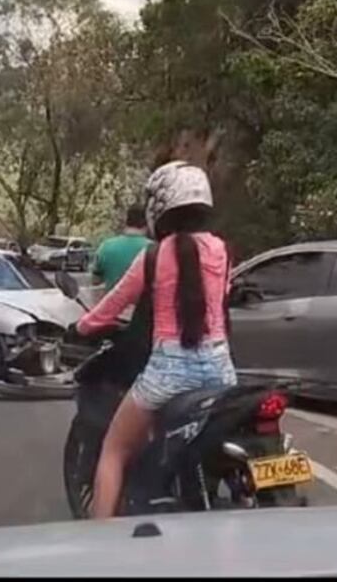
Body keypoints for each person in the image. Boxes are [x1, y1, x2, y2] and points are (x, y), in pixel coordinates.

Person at [75, 161, 236, 519]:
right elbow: (222, 299)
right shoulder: (221, 251)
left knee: (114, 450)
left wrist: (81, 328)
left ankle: (101, 540)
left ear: (159, 207)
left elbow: (111, 306)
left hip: (167, 374)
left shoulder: (152, 256)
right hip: (221, 372)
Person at [91, 205, 152, 292]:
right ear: (147, 223)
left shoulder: (105, 247)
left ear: (126, 222)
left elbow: (95, 281)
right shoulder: (155, 249)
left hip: (113, 304)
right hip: (144, 305)